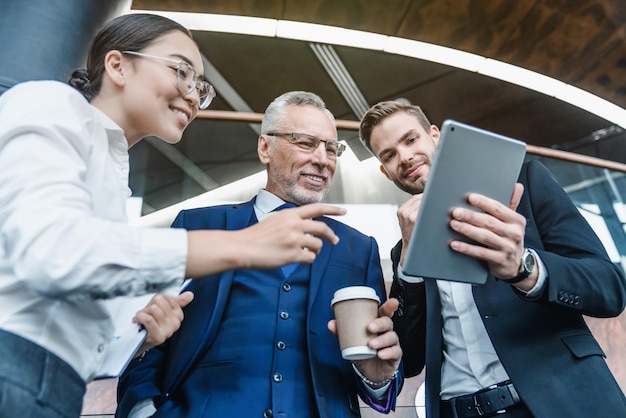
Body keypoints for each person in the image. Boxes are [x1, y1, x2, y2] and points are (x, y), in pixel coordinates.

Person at [0, 14, 346, 418]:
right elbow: (50, 250)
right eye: (182, 71)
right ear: (117, 66)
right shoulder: (49, 102)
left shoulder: (115, 178)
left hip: (57, 388)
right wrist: (240, 244)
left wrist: (138, 336)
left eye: (200, 87)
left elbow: (72, 321)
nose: (194, 96)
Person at [116, 91, 404, 418]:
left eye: (331, 148)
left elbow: (380, 371)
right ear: (265, 148)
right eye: (305, 142)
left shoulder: (359, 248)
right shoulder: (197, 225)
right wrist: (143, 411)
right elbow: (143, 338)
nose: (323, 159)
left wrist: (377, 378)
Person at [358, 101, 626, 418]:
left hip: (561, 402)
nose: (404, 157)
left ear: (436, 136)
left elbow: (609, 289)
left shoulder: (522, 183)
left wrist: (524, 269)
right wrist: (409, 264)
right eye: (388, 155)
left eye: (410, 140)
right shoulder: (400, 252)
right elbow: (411, 359)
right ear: (384, 171)